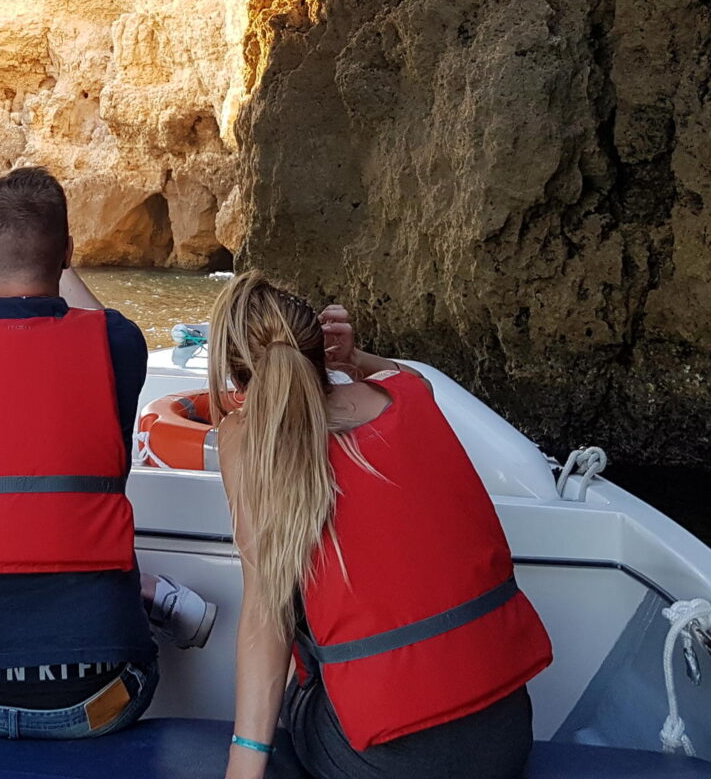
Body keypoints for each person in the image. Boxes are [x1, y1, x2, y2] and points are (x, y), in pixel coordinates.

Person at [0, 165, 215, 739]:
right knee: (94, 533)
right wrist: (62, 266)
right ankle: (145, 599)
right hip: (105, 698)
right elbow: (93, 318)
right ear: (68, 252)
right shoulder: (117, 344)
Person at [210, 272, 553, 779]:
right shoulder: (408, 395)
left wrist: (243, 764)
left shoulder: (245, 443)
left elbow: (267, 616)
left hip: (386, 765)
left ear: (237, 377)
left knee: (291, 629)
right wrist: (356, 361)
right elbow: (410, 377)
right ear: (320, 353)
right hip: (505, 738)